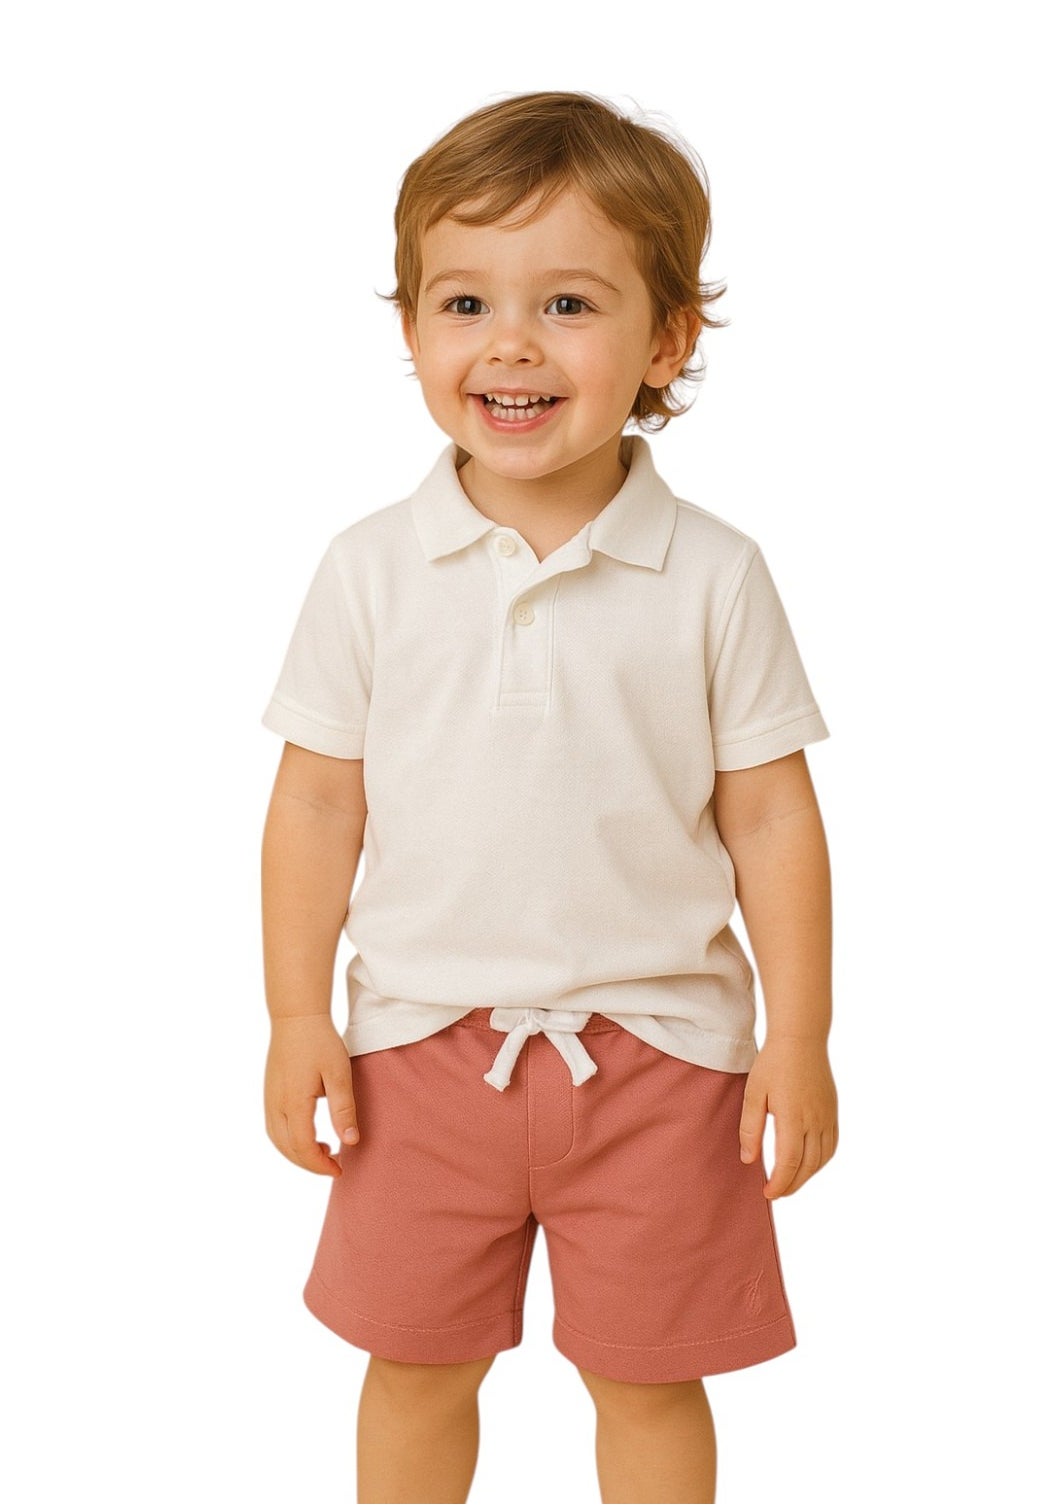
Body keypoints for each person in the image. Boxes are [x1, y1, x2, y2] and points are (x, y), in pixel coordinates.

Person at [261, 90, 838, 1506]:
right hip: (414, 1058)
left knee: (648, 1381)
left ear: (667, 341)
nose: (511, 342)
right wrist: (296, 1018)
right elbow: (318, 807)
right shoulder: (369, 570)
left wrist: (802, 1035)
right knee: (414, 1370)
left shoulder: (715, 574)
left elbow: (773, 817)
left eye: (568, 303)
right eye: (465, 302)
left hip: (665, 1063)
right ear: (412, 331)